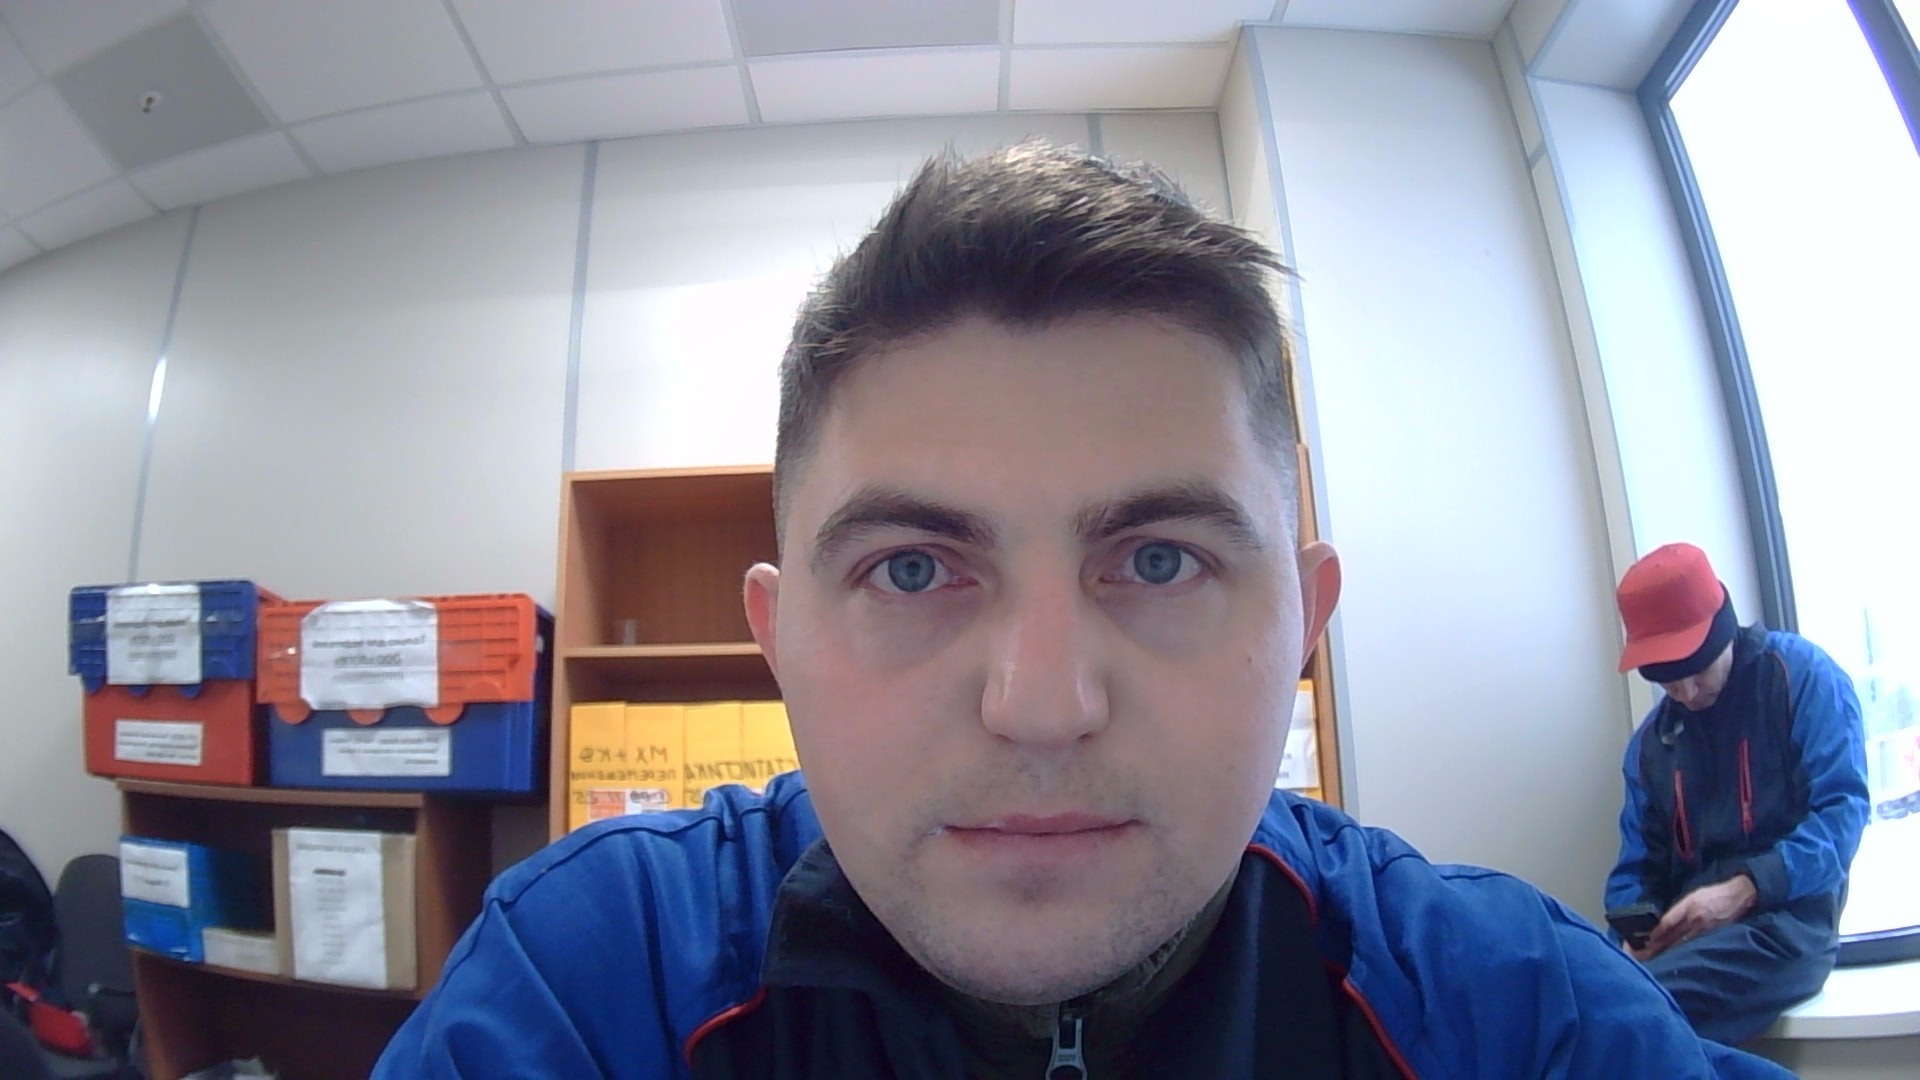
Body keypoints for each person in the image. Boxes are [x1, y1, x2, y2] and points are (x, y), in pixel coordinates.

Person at [373, 144, 1789, 1078]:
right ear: (779, 639)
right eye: (913, 570)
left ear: (1304, 623)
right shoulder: (592, 982)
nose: (1042, 707)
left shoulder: (1507, 1009)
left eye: (1159, 561)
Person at [1606, 542, 1870, 1046]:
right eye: (1668, 682)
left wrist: (1746, 888)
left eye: (1696, 670)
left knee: (1628, 1013)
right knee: (1581, 991)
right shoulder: (1648, 749)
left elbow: (1843, 814)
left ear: (1722, 629)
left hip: (1785, 921)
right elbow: (1635, 870)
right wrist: (1631, 935)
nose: (1686, 693)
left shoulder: (1803, 677)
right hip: (1685, 941)